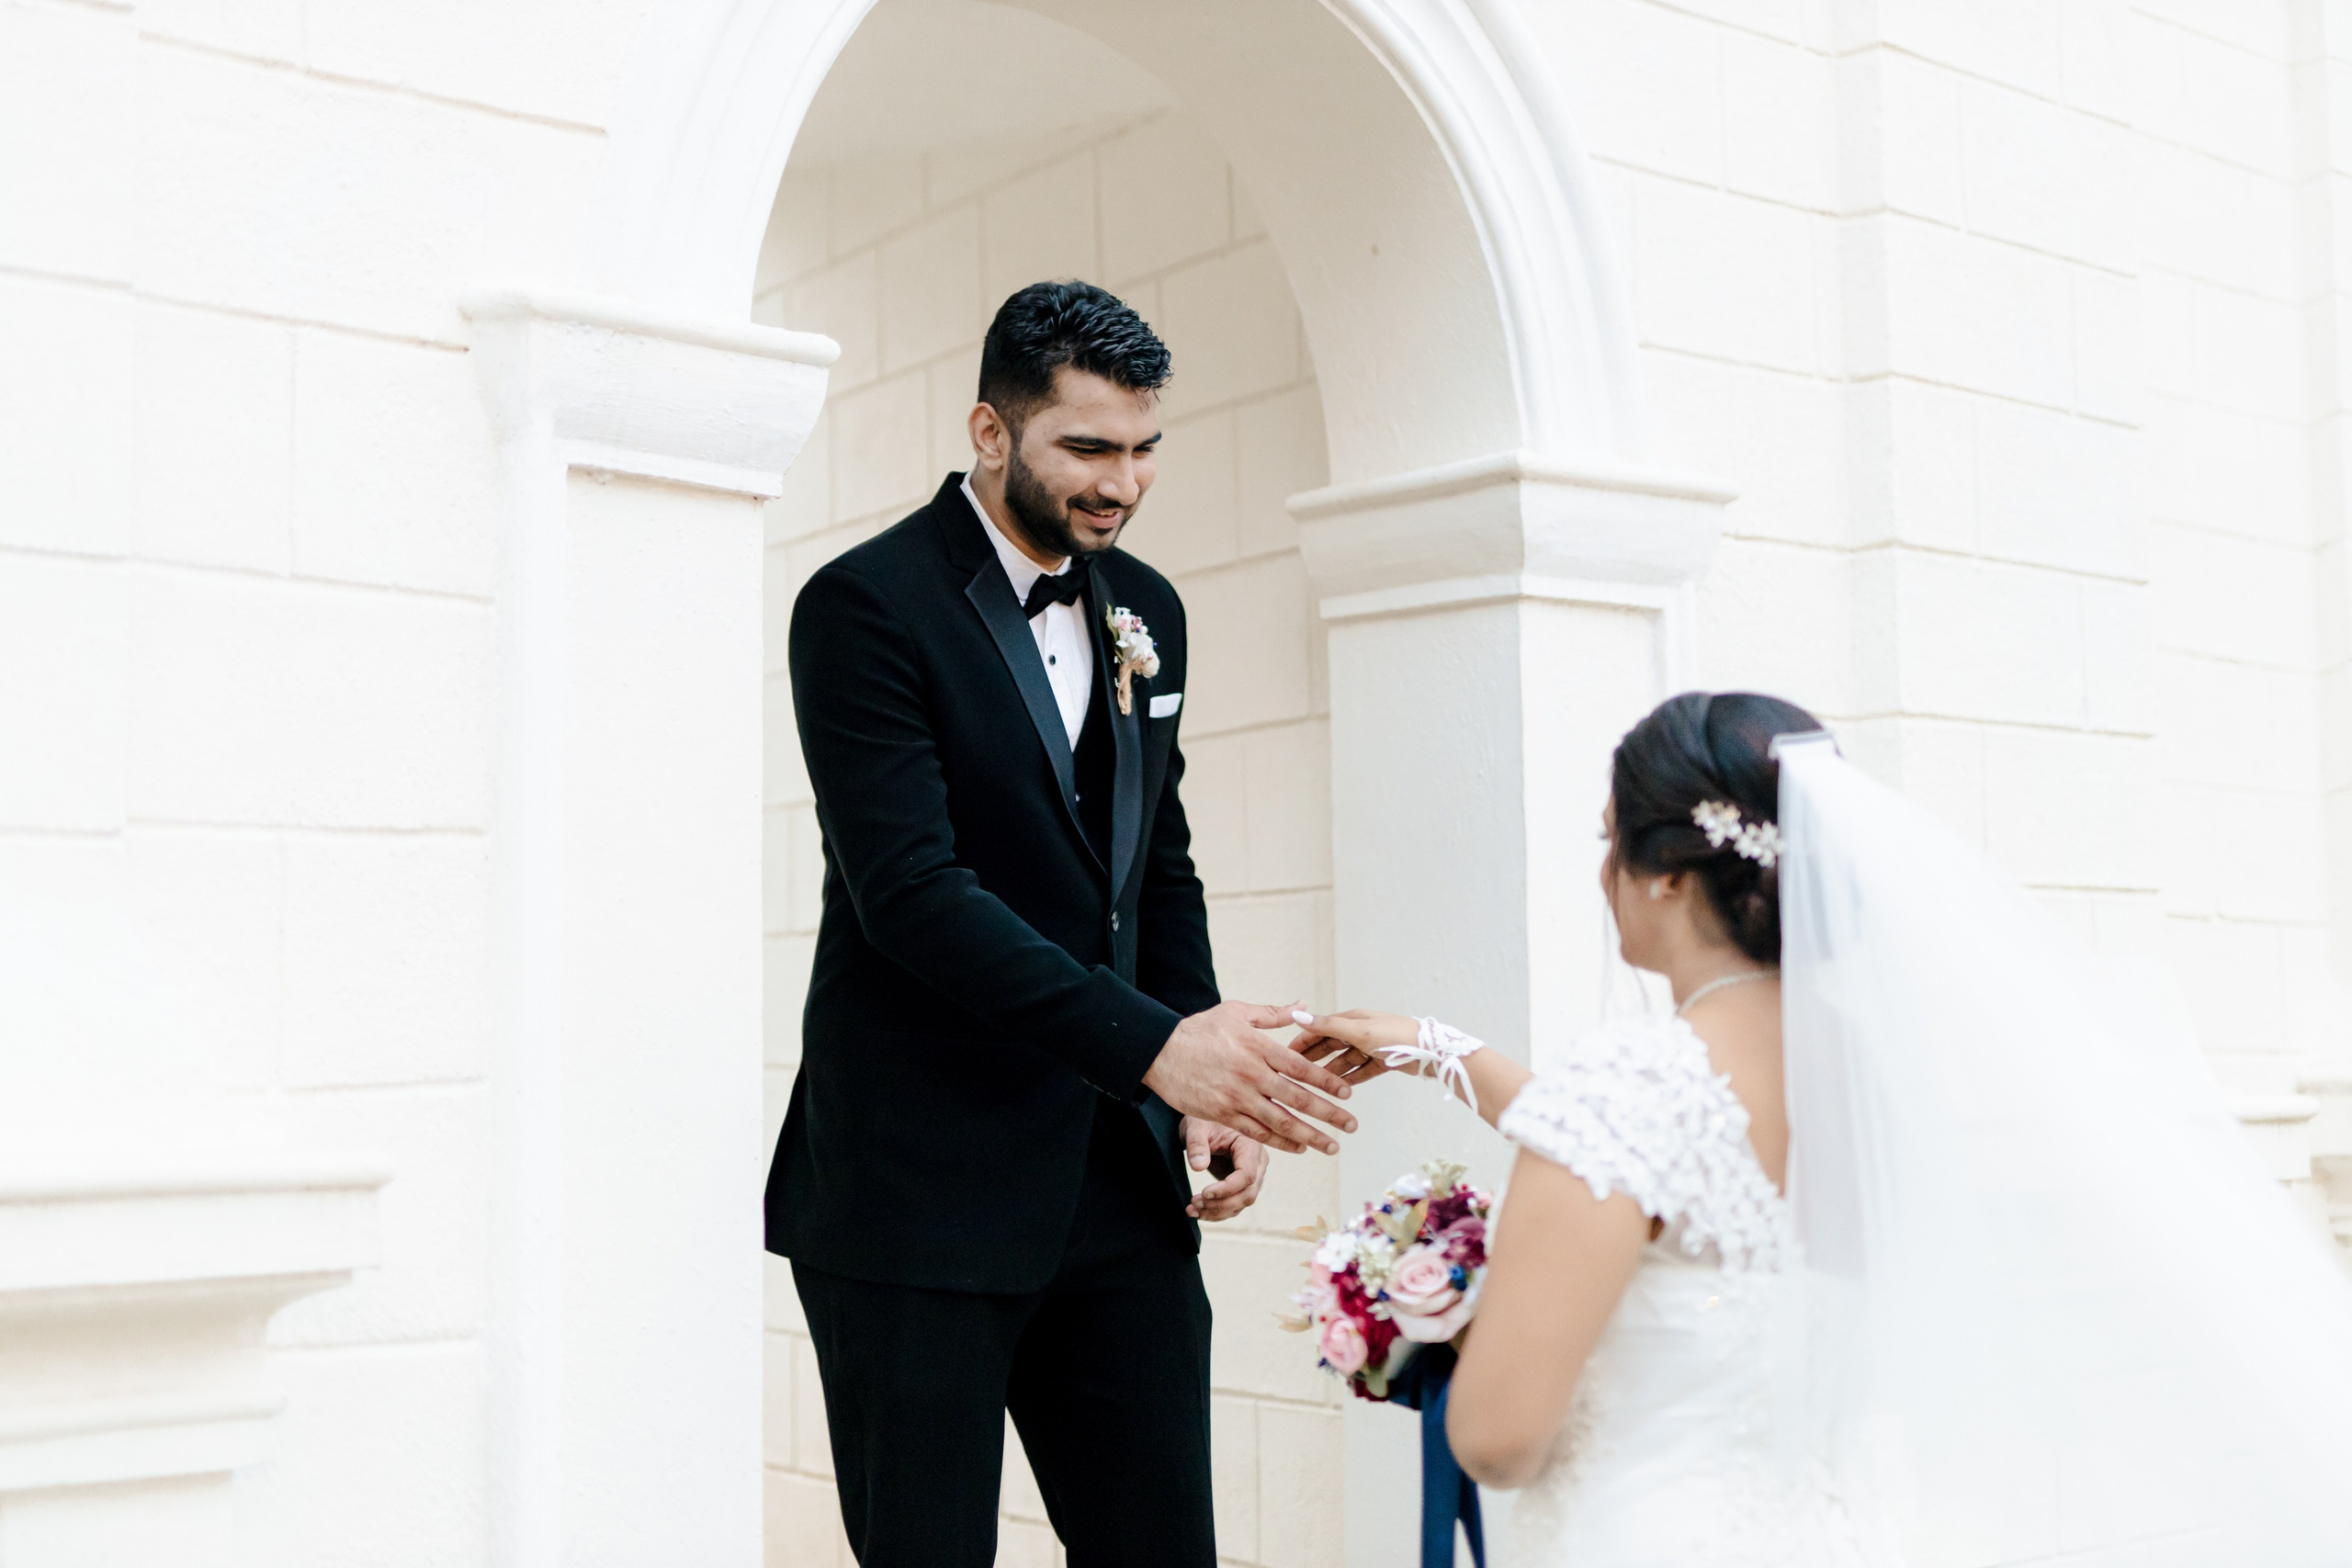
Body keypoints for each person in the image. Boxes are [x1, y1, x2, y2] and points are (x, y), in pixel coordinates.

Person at [1296, 691, 2352, 1566]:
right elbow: (1651, 1156)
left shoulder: (1630, 1078)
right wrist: (1437, 1048)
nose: (1603, 874)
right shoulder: (1890, 1081)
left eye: (1608, 843)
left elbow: (1499, 1439)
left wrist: (1441, 1323)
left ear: (1665, 870)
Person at [765, 279, 1355, 1568]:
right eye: (1087, 447)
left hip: (1115, 1193)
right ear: (991, 429)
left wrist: (1209, 1081)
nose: (1124, 483)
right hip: (916, 1193)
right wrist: (1157, 1045)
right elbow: (910, 892)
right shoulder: (863, 605)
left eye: (1145, 448)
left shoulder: (1150, 608)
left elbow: (1160, 867)